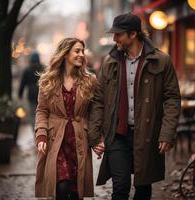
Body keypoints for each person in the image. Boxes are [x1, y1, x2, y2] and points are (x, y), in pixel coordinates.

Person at [88, 13, 181, 200]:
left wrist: (166, 133)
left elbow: (172, 99)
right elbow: (99, 100)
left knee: (143, 189)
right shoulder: (109, 62)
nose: (114, 39)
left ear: (133, 34)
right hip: (117, 135)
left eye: (118, 34)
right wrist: (94, 135)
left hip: (147, 135)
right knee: (120, 188)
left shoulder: (161, 60)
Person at [35, 38, 96, 200]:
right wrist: (41, 134)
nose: (81, 55)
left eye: (82, 51)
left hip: (79, 141)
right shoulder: (48, 81)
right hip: (56, 140)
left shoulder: (90, 81)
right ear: (65, 53)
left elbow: (95, 113)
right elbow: (42, 110)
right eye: (77, 51)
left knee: (76, 190)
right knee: (61, 187)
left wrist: (97, 138)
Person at [18, 51, 44, 130]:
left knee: (33, 115)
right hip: (42, 94)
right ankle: (42, 131)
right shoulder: (43, 68)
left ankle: (35, 131)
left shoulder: (27, 70)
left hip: (31, 95)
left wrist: (20, 95)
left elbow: (22, 83)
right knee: (42, 113)